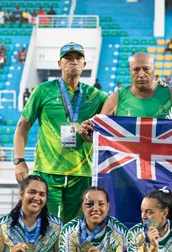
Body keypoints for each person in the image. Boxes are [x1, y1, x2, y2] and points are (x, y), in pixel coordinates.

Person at [14, 42, 106, 222]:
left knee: (74, 228)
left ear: (84, 65)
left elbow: (119, 110)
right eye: (68, 58)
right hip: (48, 171)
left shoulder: (96, 96)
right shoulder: (43, 90)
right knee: (44, 225)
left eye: (78, 58)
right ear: (59, 64)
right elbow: (23, 125)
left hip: (82, 173)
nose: (73, 62)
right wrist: (19, 160)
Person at [94, 52, 172, 119]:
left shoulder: (171, 95)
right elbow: (99, 131)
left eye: (146, 69)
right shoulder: (116, 98)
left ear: (154, 70)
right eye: (136, 69)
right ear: (130, 71)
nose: (141, 74)